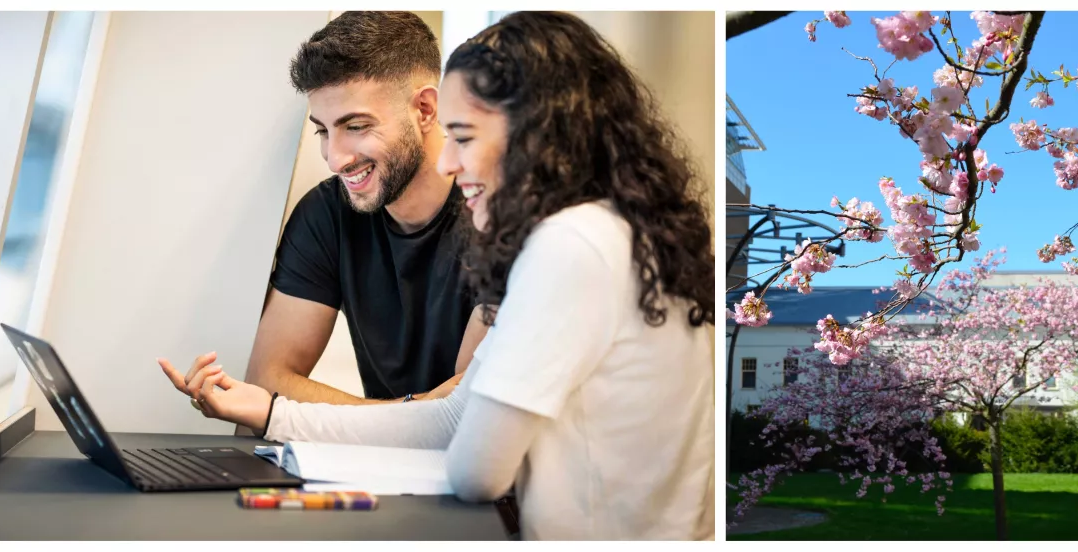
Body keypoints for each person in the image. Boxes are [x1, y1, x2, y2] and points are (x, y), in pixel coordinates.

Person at [161, 11, 715, 540]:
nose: (448, 161)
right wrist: (273, 411)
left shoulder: (568, 245)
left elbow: (475, 466)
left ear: (540, 134)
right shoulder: (617, 234)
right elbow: (454, 418)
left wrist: (287, 414)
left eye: (465, 137)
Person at [161, 12, 486, 408]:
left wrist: (411, 418)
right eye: (323, 130)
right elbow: (267, 380)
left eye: (355, 126)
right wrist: (409, 413)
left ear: (424, 109)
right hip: (377, 462)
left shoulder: (495, 216)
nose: (335, 159)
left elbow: (467, 413)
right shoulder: (326, 214)